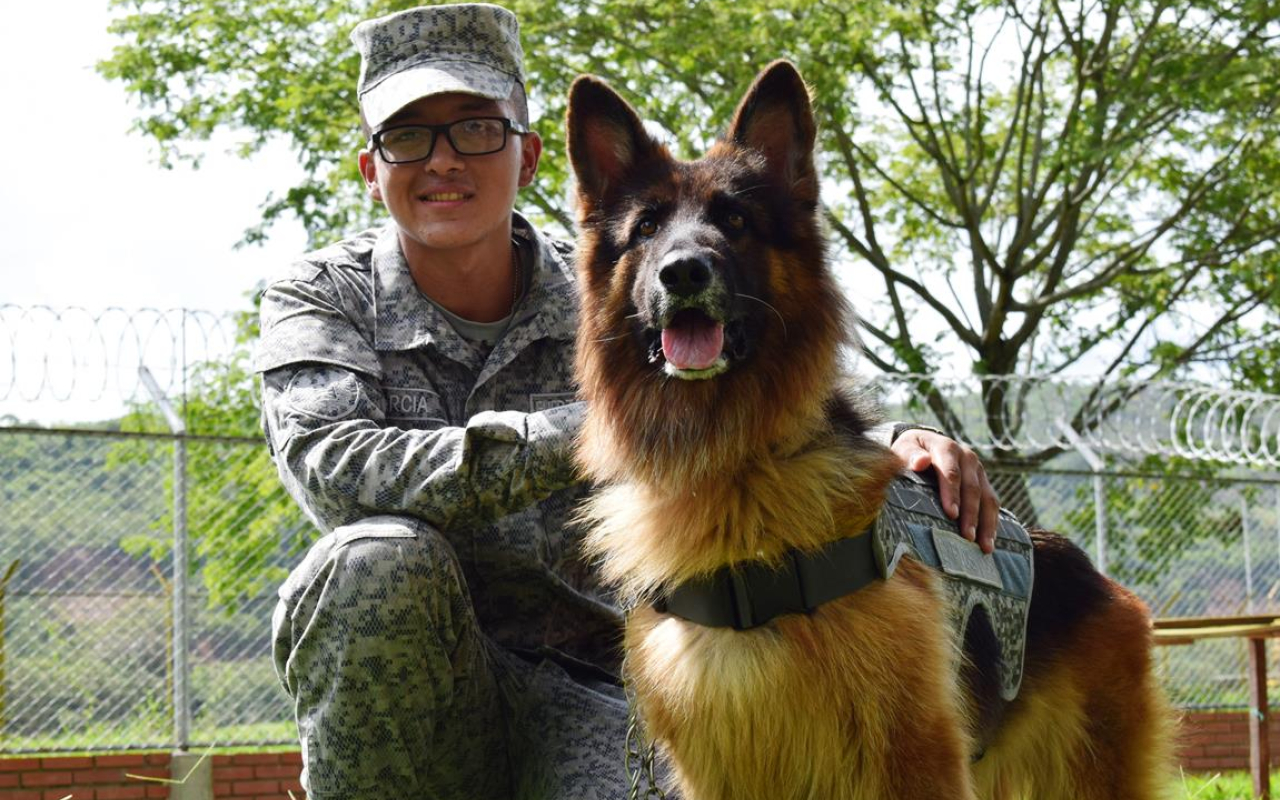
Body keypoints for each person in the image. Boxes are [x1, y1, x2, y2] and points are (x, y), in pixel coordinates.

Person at [254, 4, 1000, 798]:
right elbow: (332, 466)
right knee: (373, 561)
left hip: (595, 686)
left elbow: (747, 408)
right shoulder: (322, 297)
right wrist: (601, 428)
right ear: (371, 167)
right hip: (420, 706)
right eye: (408, 136)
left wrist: (892, 439)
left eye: (476, 128)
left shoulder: (625, 268)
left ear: (532, 156)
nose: (443, 161)